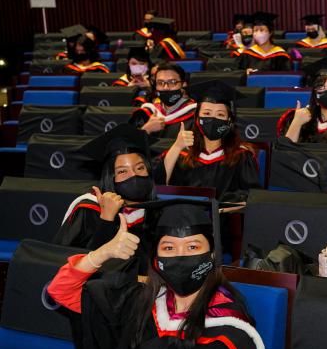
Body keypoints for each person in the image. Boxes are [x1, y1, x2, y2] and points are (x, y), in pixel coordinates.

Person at [46, 198, 263, 349]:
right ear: (156, 260)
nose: (180, 256)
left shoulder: (229, 334)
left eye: (193, 247)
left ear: (212, 255)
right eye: (168, 248)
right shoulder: (138, 302)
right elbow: (60, 290)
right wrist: (102, 253)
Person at [54, 125, 157, 272]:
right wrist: (106, 219)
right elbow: (70, 264)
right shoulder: (88, 209)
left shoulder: (157, 211)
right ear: (110, 177)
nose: (134, 175)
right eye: (122, 171)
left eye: (140, 168)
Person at [158, 80, 261, 203]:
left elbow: (251, 197)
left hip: (224, 214)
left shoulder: (241, 156)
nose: (213, 119)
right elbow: (161, 187)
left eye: (220, 115)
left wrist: (219, 210)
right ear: (197, 118)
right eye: (207, 113)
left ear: (230, 121)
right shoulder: (183, 154)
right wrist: (176, 147)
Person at [131, 62, 197, 139]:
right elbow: (129, 144)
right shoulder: (147, 113)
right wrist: (146, 129)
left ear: (183, 84)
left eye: (172, 82)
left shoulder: (195, 114)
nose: (165, 87)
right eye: (160, 83)